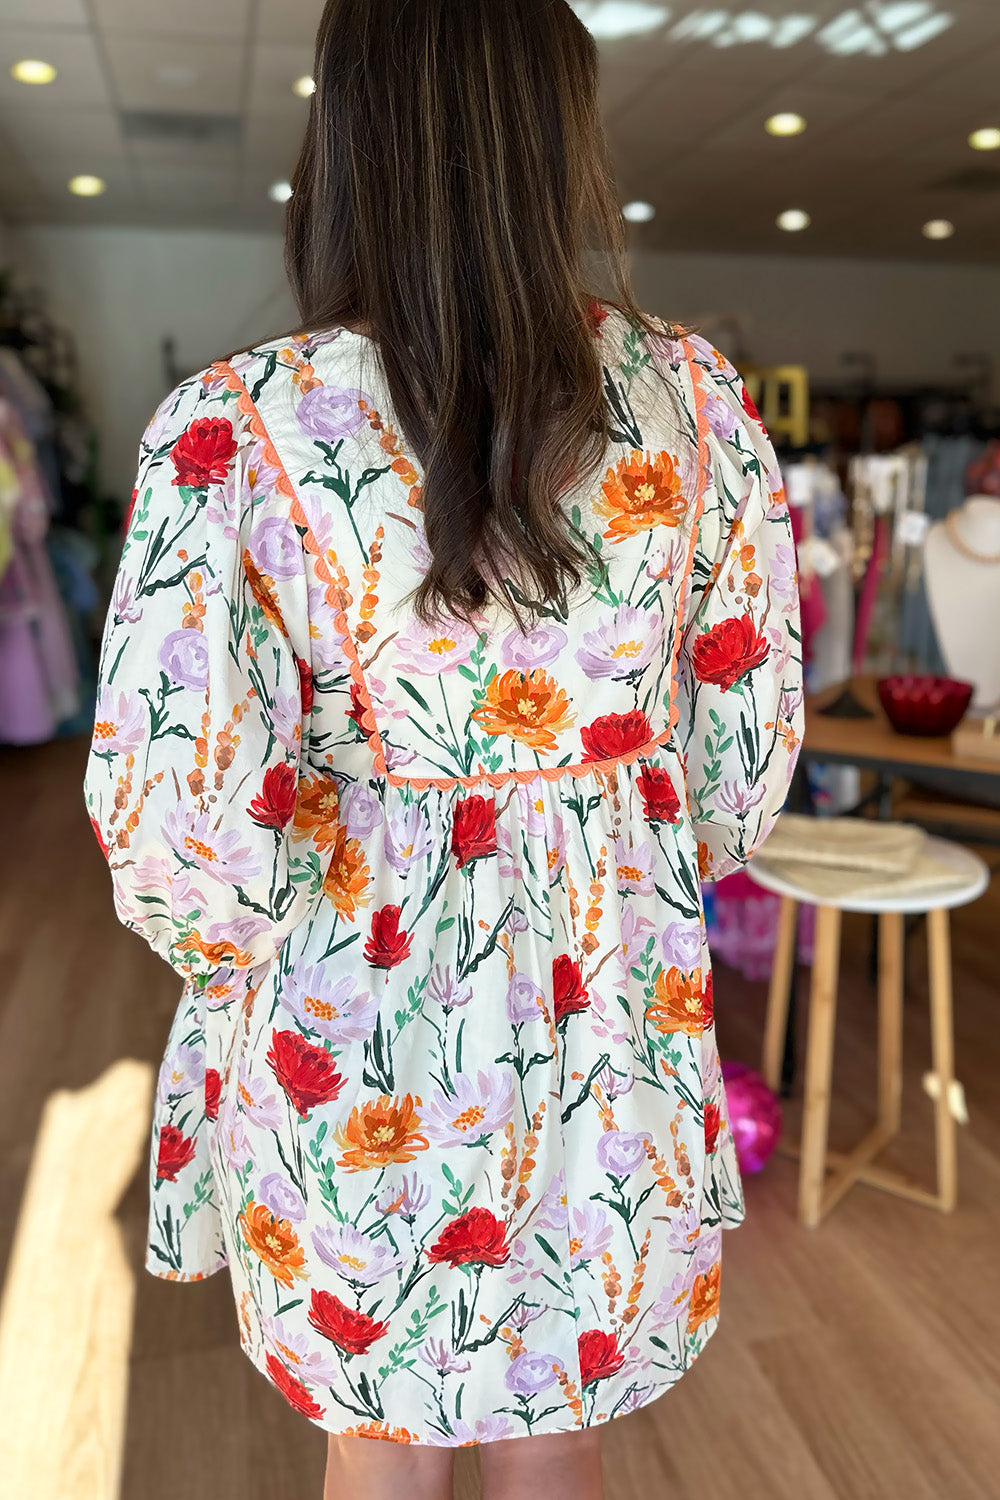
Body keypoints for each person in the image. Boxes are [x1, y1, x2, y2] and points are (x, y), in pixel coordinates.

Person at [83, 2, 803, 1496]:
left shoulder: (234, 428)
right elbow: (740, 763)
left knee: (384, 1446)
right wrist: (602, 827)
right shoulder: (700, 408)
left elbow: (175, 833)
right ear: (563, 137)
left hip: (352, 1008)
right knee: (563, 1434)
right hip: (610, 991)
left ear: (344, 135)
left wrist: (247, 925)